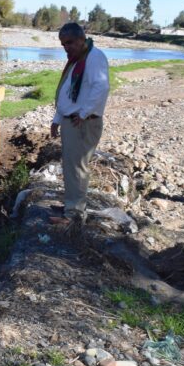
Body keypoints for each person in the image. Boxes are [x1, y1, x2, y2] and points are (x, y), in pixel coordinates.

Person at [49, 22, 110, 225]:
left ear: (82, 39)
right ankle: (71, 205)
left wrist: (83, 114)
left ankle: (74, 214)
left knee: (77, 167)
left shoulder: (94, 57)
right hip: (72, 121)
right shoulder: (78, 59)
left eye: (70, 42)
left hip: (82, 123)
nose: (66, 47)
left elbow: (101, 87)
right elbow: (68, 92)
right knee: (70, 166)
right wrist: (57, 119)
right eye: (63, 44)